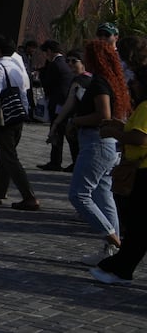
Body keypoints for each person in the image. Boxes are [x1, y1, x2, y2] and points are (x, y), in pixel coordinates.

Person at [68, 39, 131, 263]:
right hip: (106, 144)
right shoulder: (114, 82)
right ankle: (112, 251)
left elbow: (103, 115)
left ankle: (114, 240)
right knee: (104, 195)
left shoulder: (99, 83)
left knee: (79, 194)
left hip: (97, 142)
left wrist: (77, 121)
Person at [91, 64, 147, 284]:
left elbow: (141, 138)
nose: (131, 85)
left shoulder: (145, 107)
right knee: (138, 228)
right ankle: (121, 267)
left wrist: (114, 132)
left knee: (138, 226)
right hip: (140, 170)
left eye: (136, 81)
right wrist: (120, 127)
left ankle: (120, 268)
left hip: (142, 171)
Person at [0, 35, 41, 211]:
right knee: (5, 155)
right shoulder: (18, 65)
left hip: (2, 116)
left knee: (9, 157)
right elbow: (24, 90)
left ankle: (29, 196)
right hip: (17, 114)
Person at [36, 39, 76, 170]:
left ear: (49, 51)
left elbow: (47, 83)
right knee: (65, 132)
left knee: (56, 131)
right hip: (65, 101)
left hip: (57, 102)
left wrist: (42, 72)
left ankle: (55, 161)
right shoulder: (64, 62)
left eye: (45, 53)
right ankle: (68, 160)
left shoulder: (54, 64)